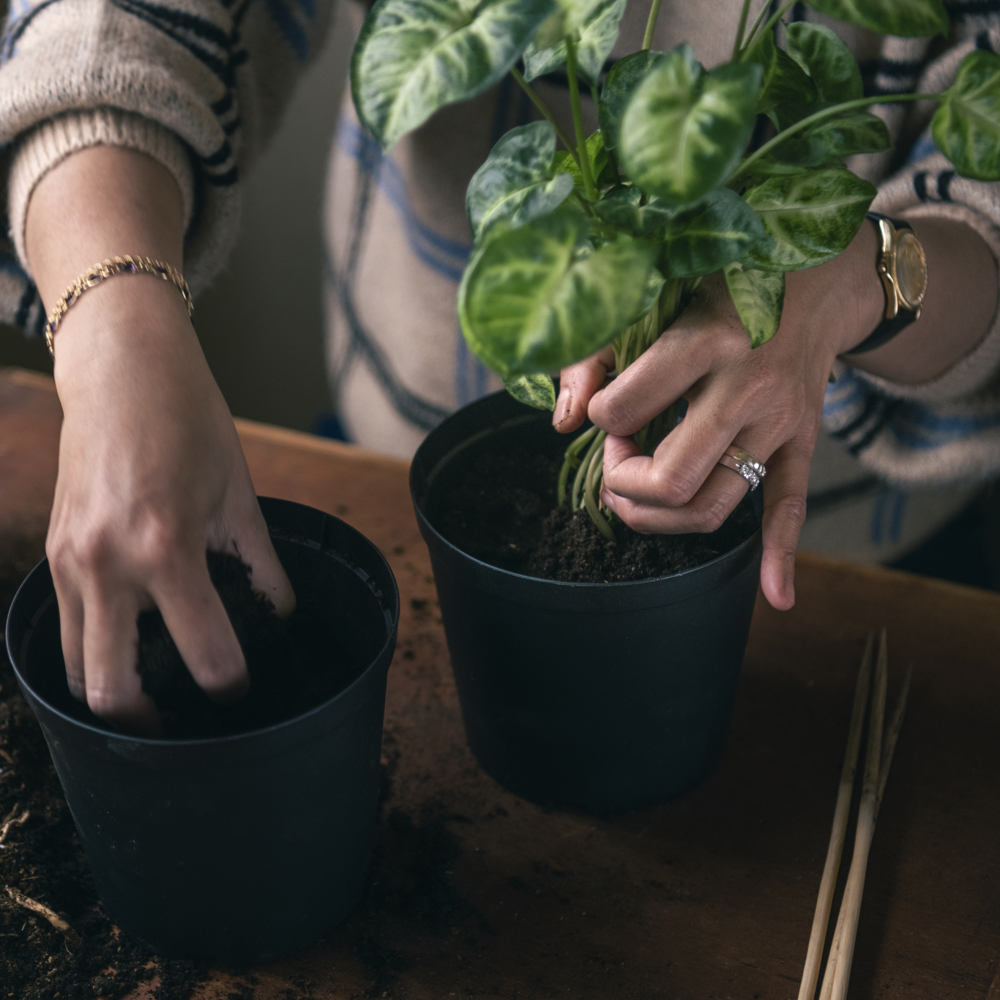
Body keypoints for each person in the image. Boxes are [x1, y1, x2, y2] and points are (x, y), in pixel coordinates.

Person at [1, 0, 998, 734]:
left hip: (864, 558)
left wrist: (861, 278)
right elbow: (114, 24)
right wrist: (110, 322)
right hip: (393, 456)